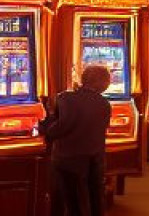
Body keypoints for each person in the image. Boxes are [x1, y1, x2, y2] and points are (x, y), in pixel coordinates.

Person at [43, 65, 112, 216]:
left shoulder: (66, 98)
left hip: (68, 159)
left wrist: (45, 131)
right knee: (95, 201)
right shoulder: (105, 104)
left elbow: (60, 126)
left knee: (70, 202)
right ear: (100, 83)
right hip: (94, 159)